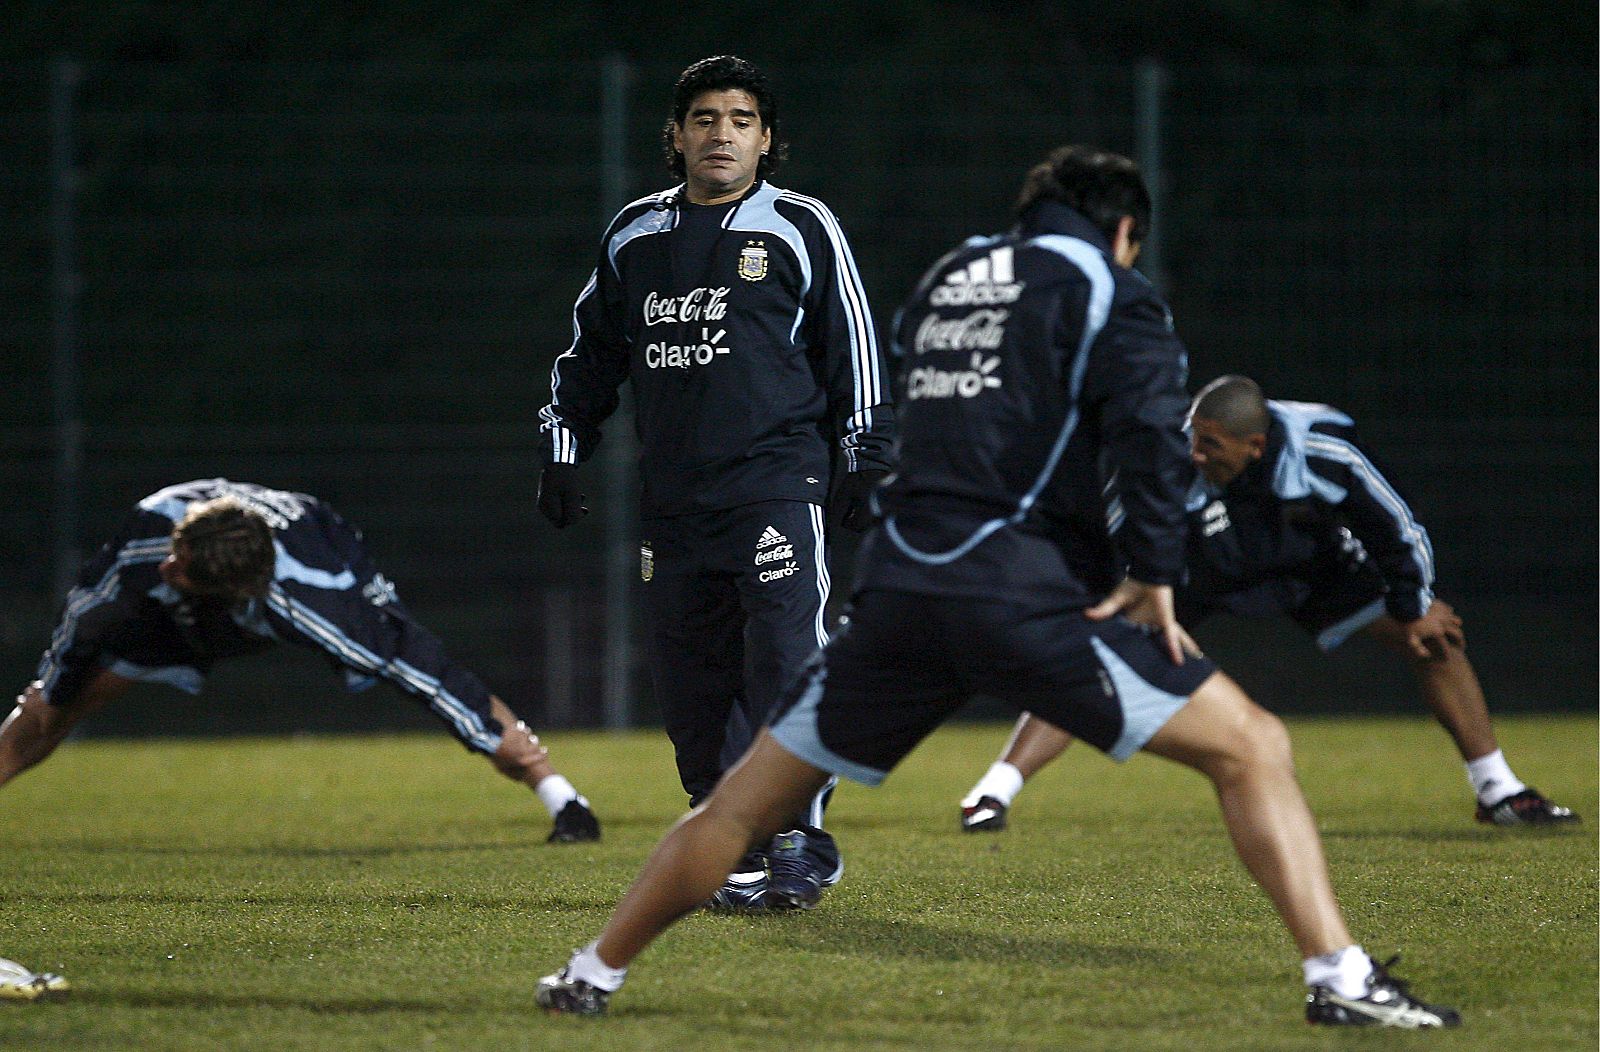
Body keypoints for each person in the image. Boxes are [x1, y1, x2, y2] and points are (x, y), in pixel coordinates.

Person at [535, 146, 1459, 1027]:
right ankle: (1341, 976)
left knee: (739, 805)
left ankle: (588, 972)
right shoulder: (1107, 285)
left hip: (899, 590)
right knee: (1253, 746)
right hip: (1013, 590)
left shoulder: (950, 278)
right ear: (1126, 231)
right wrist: (1155, 573)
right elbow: (1148, 434)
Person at [536, 55, 894, 909]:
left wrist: (865, 454)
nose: (720, 134)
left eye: (739, 120)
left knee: (785, 658)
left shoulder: (801, 226)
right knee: (691, 686)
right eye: (703, 118)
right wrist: (562, 448)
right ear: (677, 136)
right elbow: (590, 355)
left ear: (767, 140)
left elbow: (855, 344)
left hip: (776, 486)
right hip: (675, 503)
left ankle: (802, 838)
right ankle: (725, 831)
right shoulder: (634, 235)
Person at [959, 375, 1578, 833]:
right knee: (1094, 659)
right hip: (1196, 565)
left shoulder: (1321, 451)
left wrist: (1415, 603)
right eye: (1192, 438)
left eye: (1212, 445)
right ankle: (994, 791)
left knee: (1435, 636)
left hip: (1309, 562)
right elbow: (1124, 533)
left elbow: (1396, 526)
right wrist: (1140, 594)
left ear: (1256, 445)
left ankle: (1498, 790)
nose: (1195, 453)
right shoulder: (1167, 459)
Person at [1, 479, 601, 844]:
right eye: (177, 556)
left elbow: (432, 678)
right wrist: (54, 687)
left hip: (308, 562)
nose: (167, 568)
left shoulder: (320, 604)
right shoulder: (155, 535)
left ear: (234, 595)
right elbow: (84, 617)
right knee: (57, 698)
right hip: (197, 593)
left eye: (180, 571)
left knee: (414, 668)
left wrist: (558, 795)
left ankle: (561, 795)